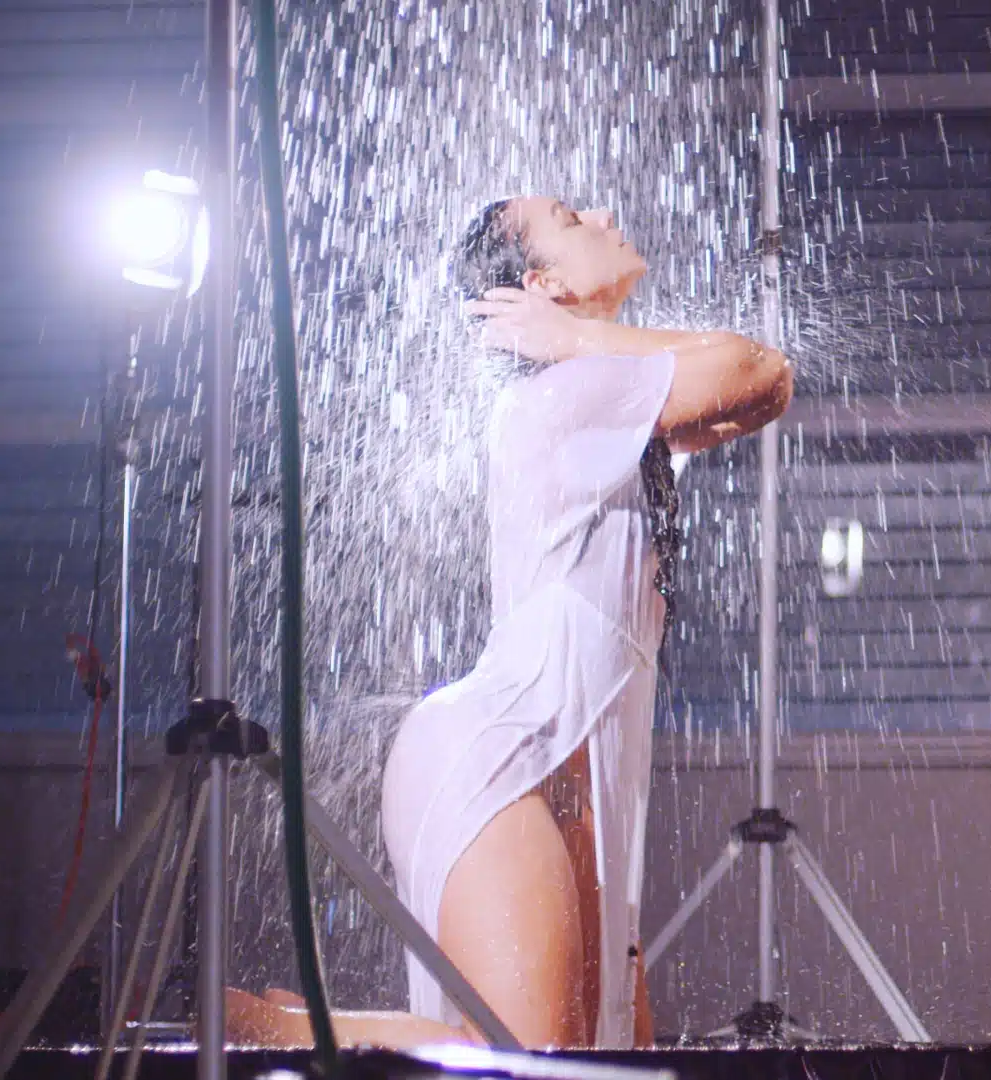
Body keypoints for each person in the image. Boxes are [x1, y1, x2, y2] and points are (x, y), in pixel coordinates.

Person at [226, 197, 793, 1049]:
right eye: (571, 217)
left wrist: (576, 336)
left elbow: (751, 396)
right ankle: (273, 1033)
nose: (605, 211)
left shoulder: (599, 388)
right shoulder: (573, 390)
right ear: (545, 284)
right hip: (501, 752)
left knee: (598, 1058)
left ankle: (301, 1028)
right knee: (530, 1063)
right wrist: (575, 341)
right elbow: (756, 368)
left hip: (564, 761)